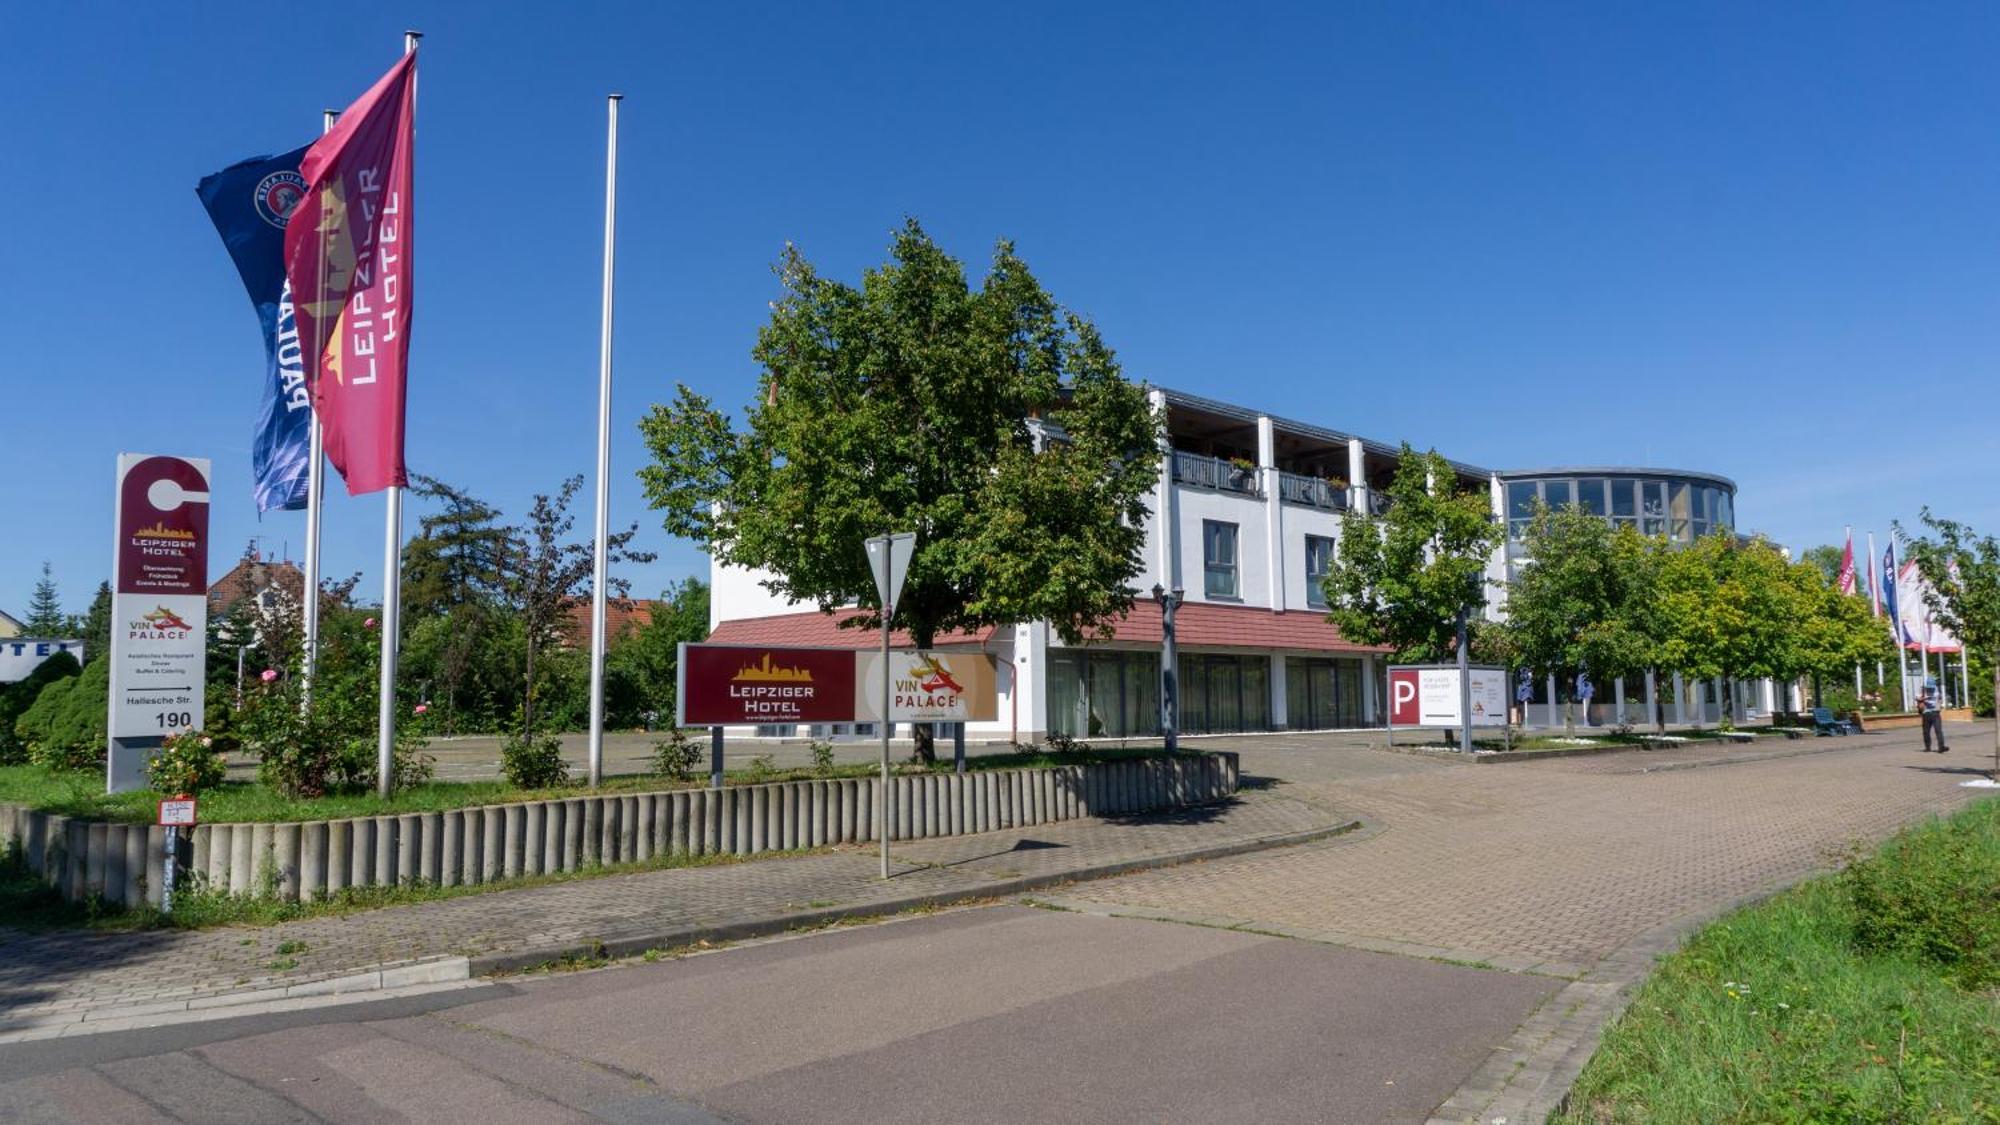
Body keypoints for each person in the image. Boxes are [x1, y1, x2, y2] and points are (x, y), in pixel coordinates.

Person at [1918, 685, 1949, 753]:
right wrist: (1922, 699)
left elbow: (1940, 700)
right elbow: (1918, 698)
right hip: (1926, 713)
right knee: (1926, 731)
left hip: (1935, 712)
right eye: (1929, 688)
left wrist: (1939, 705)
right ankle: (1927, 747)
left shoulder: (1936, 690)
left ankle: (1941, 747)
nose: (1930, 689)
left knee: (1938, 730)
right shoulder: (1923, 690)